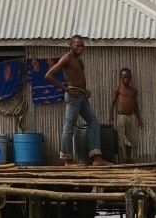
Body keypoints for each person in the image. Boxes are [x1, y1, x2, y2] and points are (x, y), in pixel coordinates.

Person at [46, 36, 110, 167]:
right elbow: (49, 75)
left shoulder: (79, 60)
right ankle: (68, 159)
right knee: (69, 126)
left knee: (94, 122)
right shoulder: (67, 58)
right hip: (73, 95)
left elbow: (79, 77)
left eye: (82, 46)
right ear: (70, 45)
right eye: (77, 46)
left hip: (81, 95)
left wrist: (85, 90)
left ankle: (96, 158)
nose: (80, 48)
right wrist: (67, 90)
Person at [108, 67, 144, 163]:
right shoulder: (118, 89)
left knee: (130, 139)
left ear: (131, 77)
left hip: (131, 117)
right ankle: (120, 160)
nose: (126, 79)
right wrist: (111, 116)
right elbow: (112, 103)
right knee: (120, 139)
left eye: (127, 77)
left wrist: (139, 119)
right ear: (120, 77)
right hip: (121, 117)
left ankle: (129, 158)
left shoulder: (133, 90)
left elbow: (135, 105)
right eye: (124, 77)